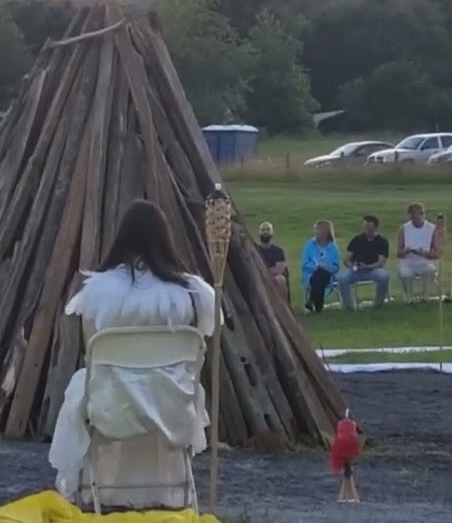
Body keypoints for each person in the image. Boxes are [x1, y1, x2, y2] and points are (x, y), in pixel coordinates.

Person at [49, 199, 215, 511]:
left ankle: (96, 491)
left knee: (82, 382)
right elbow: (202, 343)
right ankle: (170, 492)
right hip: (172, 403)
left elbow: (91, 352)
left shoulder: (100, 293)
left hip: (113, 406)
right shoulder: (193, 295)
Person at [336, 215, 391, 310]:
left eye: (369, 228)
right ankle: (349, 306)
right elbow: (346, 259)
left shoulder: (382, 241)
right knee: (342, 278)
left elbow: (380, 263)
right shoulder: (357, 240)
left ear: (375, 228)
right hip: (356, 270)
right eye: (365, 227)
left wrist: (367, 266)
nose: (367, 230)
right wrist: (351, 265)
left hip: (373, 270)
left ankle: (378, 304)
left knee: (384, 276)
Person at [396, 203, 440, 303]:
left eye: (416, 218)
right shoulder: (403, 228)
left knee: (431, 270)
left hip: (424, 262)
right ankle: (409, 297)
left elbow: (436, 254)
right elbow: (398, 253)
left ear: (422, 215)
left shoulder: (432, 229)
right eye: (412, 218)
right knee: (405, 274)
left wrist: (424, 253)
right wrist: (405, 251)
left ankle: (426, 296)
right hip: (408, 263)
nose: (414, 221)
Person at [300, 220, 341, 313]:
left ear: (327, 232)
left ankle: (312, 301)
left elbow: (336, 266)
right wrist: (316, 267)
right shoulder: (309, 245)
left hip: (329, 275)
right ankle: (318, 305)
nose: (317, 232)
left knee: (322, 274)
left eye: (320, 230)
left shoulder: (333, 247)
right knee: (319, 274)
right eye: (316, 230)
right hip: (310, 275)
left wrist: (327, 268)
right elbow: (305, 264)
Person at [256, 221, 289, 303]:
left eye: (268, 229)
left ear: (272, 233)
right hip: (258, 276)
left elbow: (280, 269)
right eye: (263, 230)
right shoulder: (255, 250)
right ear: (259, 233)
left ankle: (283, 305)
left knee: (281, 279)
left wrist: (265, 271)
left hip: (274, 277)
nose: (265, 232)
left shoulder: (278, 251)